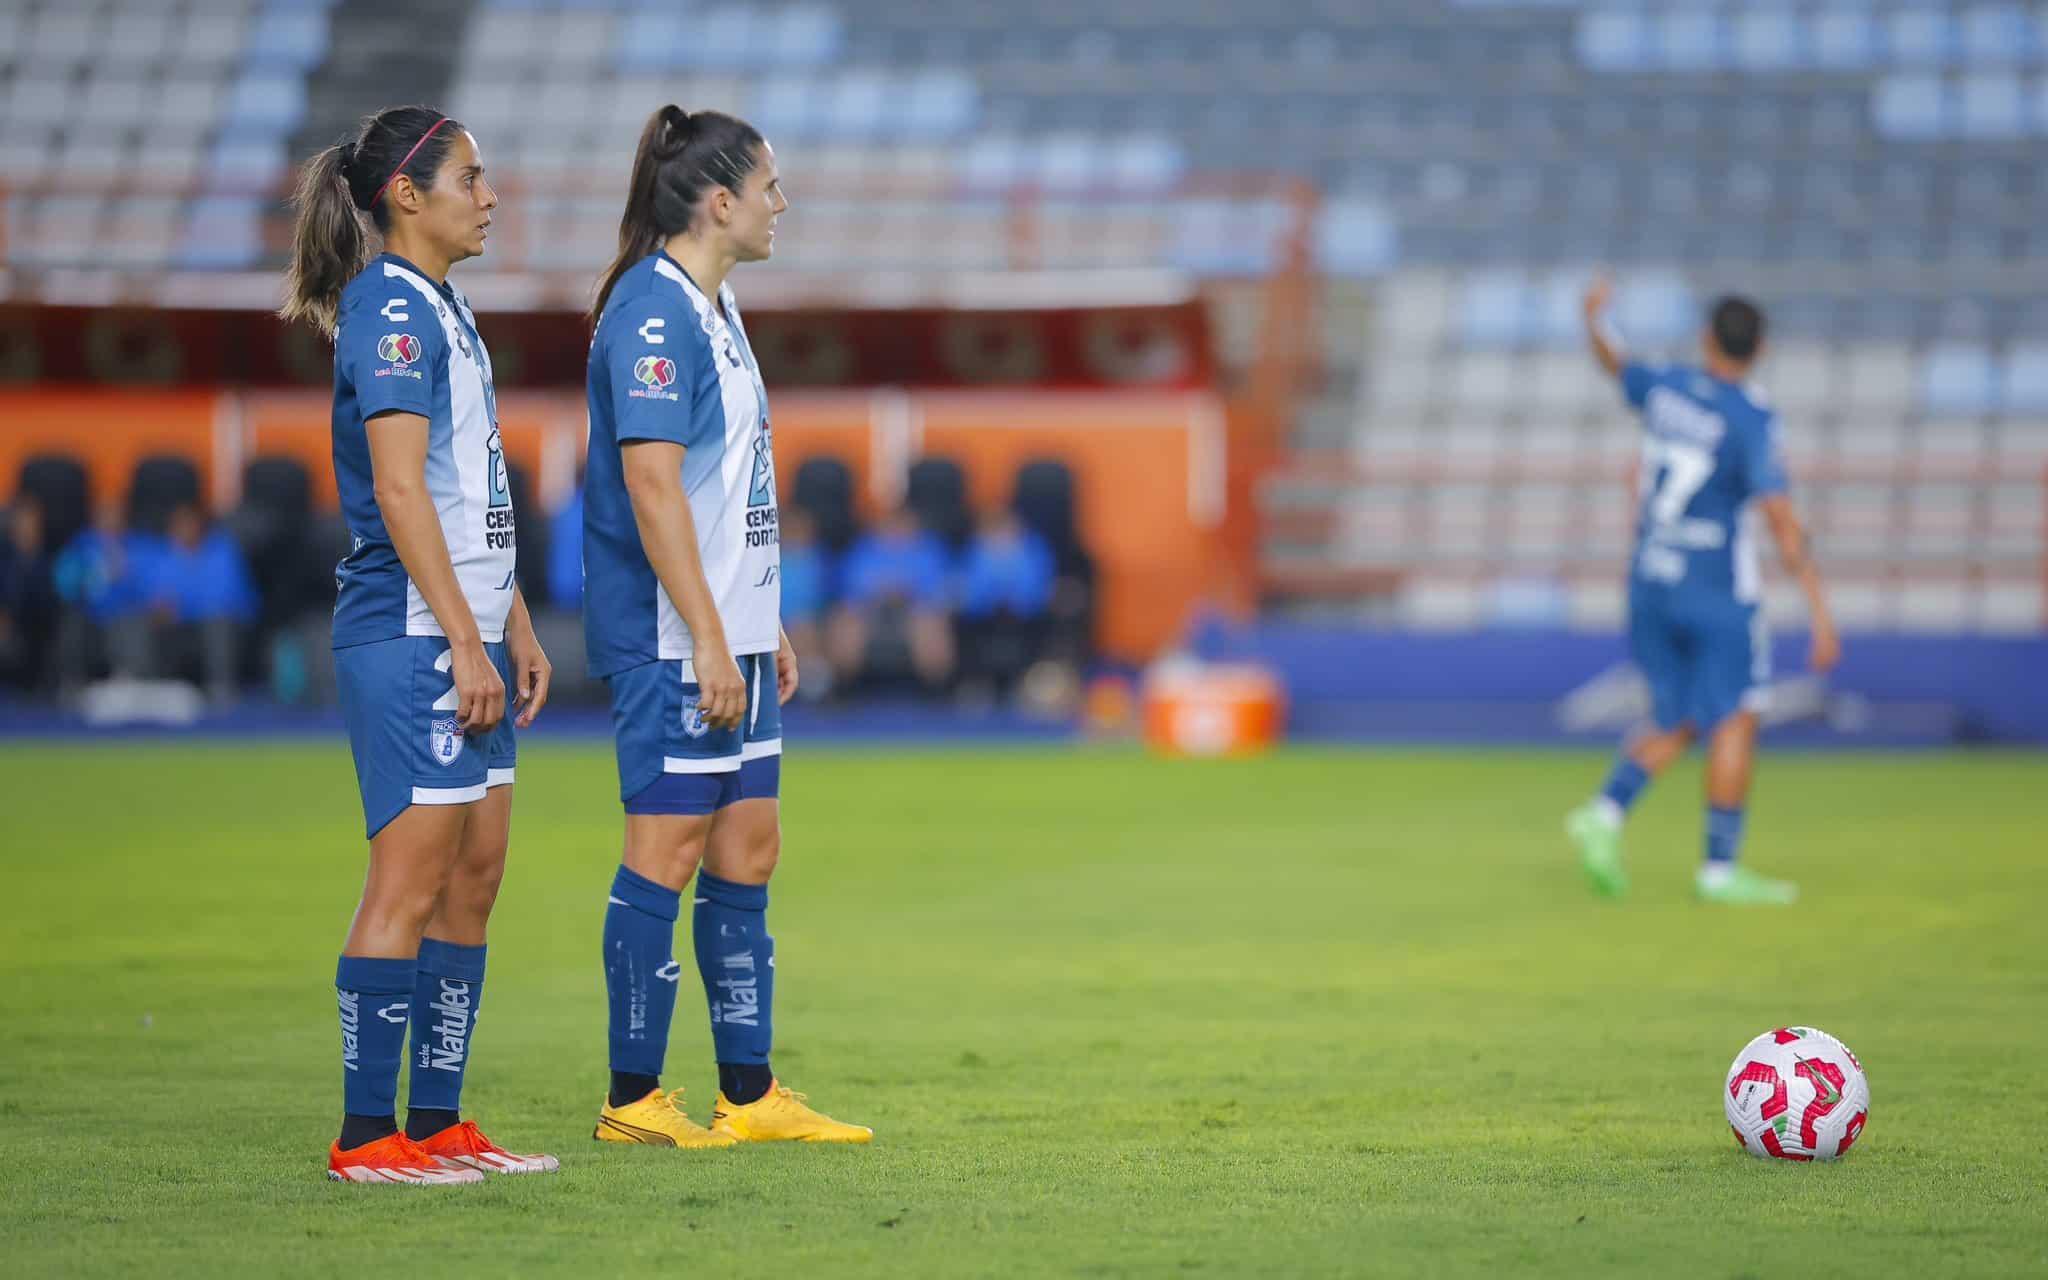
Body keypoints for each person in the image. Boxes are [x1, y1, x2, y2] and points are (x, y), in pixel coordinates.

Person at [280, 104, 559, 1184]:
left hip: (463, 629)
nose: (490, 196)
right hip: (408, 633)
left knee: (474, 875)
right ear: (408, 193)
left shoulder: (443, 307)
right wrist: (463, 637)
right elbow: (398, 490)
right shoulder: (389, 311)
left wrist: (513, 622)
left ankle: (437, 1119)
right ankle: (364, 1135)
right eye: (472, 178)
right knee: (406, 879)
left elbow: (471, 490)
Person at [582, 104, 870, 1146]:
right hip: (672, 639)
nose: (779, 204)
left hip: (728, 630)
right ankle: (630, 1097)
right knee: (664, 850)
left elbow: (725, 484)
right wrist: (708, 634)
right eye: (769, 186)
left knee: (749, 845)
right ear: (717, 201)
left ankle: (746, 1095)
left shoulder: (715, 302)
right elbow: (653, 488)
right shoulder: (652, 314)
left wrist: (761, 618)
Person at [1566, 280, 1841, 905]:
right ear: (1760, 347)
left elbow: (1619, 366)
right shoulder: (1751, 419)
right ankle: (1720, 870)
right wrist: (1821, 613)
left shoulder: (1665, 389)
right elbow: (1780, 519)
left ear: (1705, 339)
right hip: (1716, 590)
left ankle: (1606, 812)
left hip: (1650, 581)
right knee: (1737, 714)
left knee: (1677, 713)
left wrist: (1594, 321)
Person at [826, 507, 956, 696]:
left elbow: (942, 589)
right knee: (846, 623)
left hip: (915, 612)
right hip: (871, 612)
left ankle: (937, 691)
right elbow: (849, 588)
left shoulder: (929, 549)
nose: (897, 528)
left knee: (930, 624)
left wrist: (907, 592)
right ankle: (843, 690)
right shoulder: (864, 549)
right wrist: (879, 592)